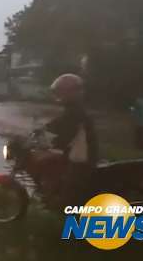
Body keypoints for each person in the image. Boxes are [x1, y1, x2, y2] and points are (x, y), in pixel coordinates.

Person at [44, 73, 98, 205]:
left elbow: (67, 133)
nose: (59, 95)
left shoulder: (76, 112)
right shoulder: (73, 110)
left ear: (70, 93)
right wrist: (45, 127)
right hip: (80, 156)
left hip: (83, 161)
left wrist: (51, 143)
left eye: (62, 92)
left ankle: (74, 216)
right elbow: (60, 122)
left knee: (70, 195)